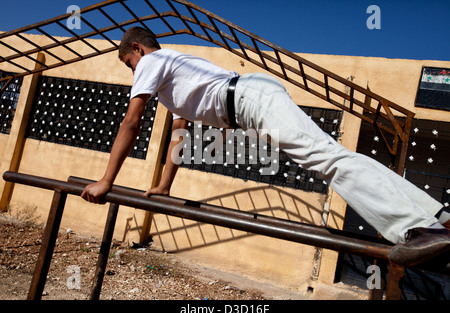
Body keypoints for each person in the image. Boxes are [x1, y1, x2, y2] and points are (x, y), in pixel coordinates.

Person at [81, 27, 450, 267]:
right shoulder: (174, 78)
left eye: (130, 65)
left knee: (328, 160)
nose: (133, 73)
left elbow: (131, 122)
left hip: (248, 101)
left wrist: (105, 181)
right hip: (249, 102)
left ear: (136, 49)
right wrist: (164, 186)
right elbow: (180, 133)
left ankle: (420, 228)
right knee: (331, 158)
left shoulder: (153, 62)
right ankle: (435, 218)